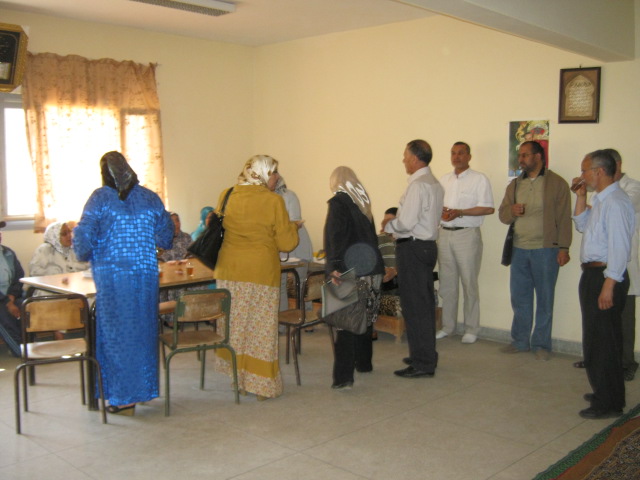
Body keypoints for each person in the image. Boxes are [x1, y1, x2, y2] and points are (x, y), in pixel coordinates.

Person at [73, 151, 173, 415]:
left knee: (116, 335)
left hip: (113, 279)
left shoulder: (100, 198)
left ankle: (122, 396)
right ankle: (142, 389)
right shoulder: (150, 197)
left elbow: (83, 238)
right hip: (144, 277)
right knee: (143, 332)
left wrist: (86, 252)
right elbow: (166, 236)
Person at [213, 155, 299, 400]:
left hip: (229, 271)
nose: (277, 178)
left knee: (236, 327)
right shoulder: (273, 201)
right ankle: (261, 385)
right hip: (260, 272)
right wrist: (294, 227)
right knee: (261, 329)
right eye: (274, 173)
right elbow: (287, 242)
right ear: (262, 174)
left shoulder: (227, 194)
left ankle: (237, 380)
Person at [571, 149, 634, 419]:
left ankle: (608, 403)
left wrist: (609, 284)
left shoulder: (616, 202)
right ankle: (606, 392)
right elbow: (582, 225)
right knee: (600, 340)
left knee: (603, 343)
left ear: (598, 172)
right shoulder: (601, 200)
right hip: (595, 275)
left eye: (585, 170)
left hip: (605, 276)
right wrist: (581, 197)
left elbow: (620, 247)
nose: (582, 175)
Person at [498, 140, 572, 360]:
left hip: (546, 251)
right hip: (519, 249)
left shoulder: (557, 183)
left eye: (525, 155)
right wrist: (511, 210)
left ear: (538, 156)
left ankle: (541, 345)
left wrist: (564, 248)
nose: (520, 159)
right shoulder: (514, 185)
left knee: (545, 299)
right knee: (519, 298)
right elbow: (503, 215)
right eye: (519, 155)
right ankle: (520, 341)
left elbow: (564, 219)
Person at [383, 139, 444, 378]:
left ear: (416, 158)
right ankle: (425, 353)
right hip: (426, 247)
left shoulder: (418, 185)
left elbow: (406, 222)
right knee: (424, 304)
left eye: (405, 156)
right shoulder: (434, 183)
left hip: (414, 249)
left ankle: (422, 362)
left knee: (415, 306)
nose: (403, 160)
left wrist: (390, 225)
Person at [324, 166, 384, 390]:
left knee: (347, 322)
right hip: (372, 268)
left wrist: (335, 267)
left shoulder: (338, 203)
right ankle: (364, 364)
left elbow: (335, 237)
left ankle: (343, 377)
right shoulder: (363, 202)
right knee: (366, 318)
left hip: (351, 269)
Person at [437, 142, 494, 344]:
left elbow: (488, 208)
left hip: (467, 235)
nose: (456, 157)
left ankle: (471, 328)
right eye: (453, 153)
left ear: (469, 156)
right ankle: (448, 326)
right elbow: (436, 207)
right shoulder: (444, 180)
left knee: (469, 282)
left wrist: (460, 212)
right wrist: (442, 212)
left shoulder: (479, 179)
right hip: (444, 235)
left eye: (461, 153)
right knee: (447, 283)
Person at [270, 173, 313, 311]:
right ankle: (284, 324)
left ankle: (306, 321)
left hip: (298, 246)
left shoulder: (289, 196)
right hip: (280, 249)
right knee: (280, 286)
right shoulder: (265, 199)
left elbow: (296, 221)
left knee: (301, 284)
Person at [0, 220, 25, 357]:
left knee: (27, 306)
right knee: (3, 314)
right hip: (1, 299)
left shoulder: (8, 253)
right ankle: (20, 351)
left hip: (11, 295)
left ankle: (31, 346)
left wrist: (11, 297)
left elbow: (19, 277)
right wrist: (6, 302)